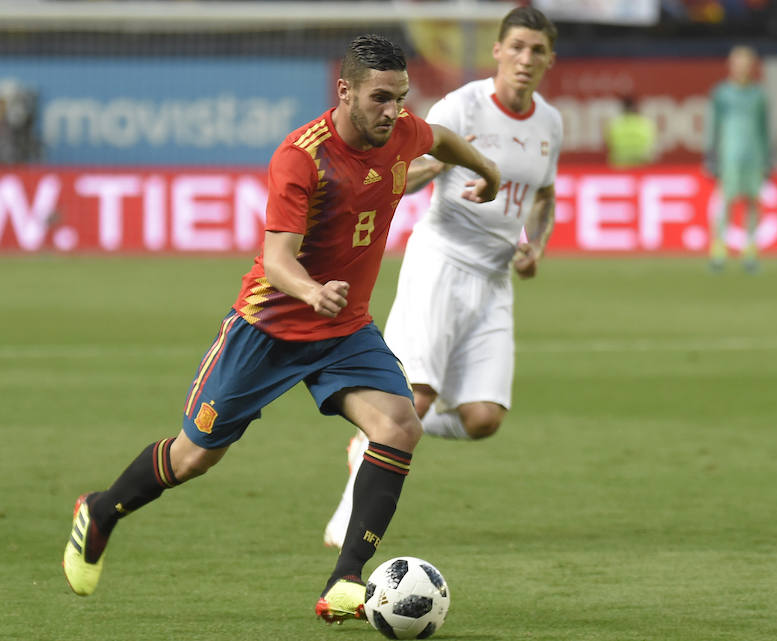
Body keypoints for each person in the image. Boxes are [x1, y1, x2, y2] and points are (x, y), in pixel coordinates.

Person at [62, 34, 500, 625]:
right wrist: (312, 291)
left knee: (399, 425)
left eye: (400, 97)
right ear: (344, 91)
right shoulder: (302, 157)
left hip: (343, 330)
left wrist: (487, 169)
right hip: (267, 328)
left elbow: (441, 139)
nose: (393, 110)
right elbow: (276, 261)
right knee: (193, 458)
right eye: (379, 98)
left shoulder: (400, 131)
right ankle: (100, 511)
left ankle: (344, 580)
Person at [323, 6, 562, 549]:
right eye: (517, 47)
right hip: (442, 259)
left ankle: (371, 441)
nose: (526, 59)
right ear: (497, 51)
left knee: (483, 418)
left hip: (495, 277)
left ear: (550, 59)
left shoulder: (550, 121)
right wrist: (455, 165)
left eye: (537, 50)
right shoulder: (464, 105)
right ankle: (348, 517)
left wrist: (535, 248)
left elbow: (544, 196)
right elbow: (398, 175)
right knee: (419, 394)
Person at [705, 44, 770, 272]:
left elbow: (764, 129)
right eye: (738, 63)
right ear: (730, 66)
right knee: (726, 200)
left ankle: (750, 249)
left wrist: (768, 158)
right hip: (729, 154)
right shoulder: (721, 94)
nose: (742, 68)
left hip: (754, 155)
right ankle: (718, 248)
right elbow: (713, 126)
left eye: (746, 63)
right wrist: (711, 155)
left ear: (752, 67)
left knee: (753, 201)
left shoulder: (759, 95)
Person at [605, 94, 656, 168]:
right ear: (637, 108)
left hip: (619, 168)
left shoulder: (614, 125)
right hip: (641, 167)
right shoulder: (646, 124)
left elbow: (608, 144)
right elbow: (651, 148)